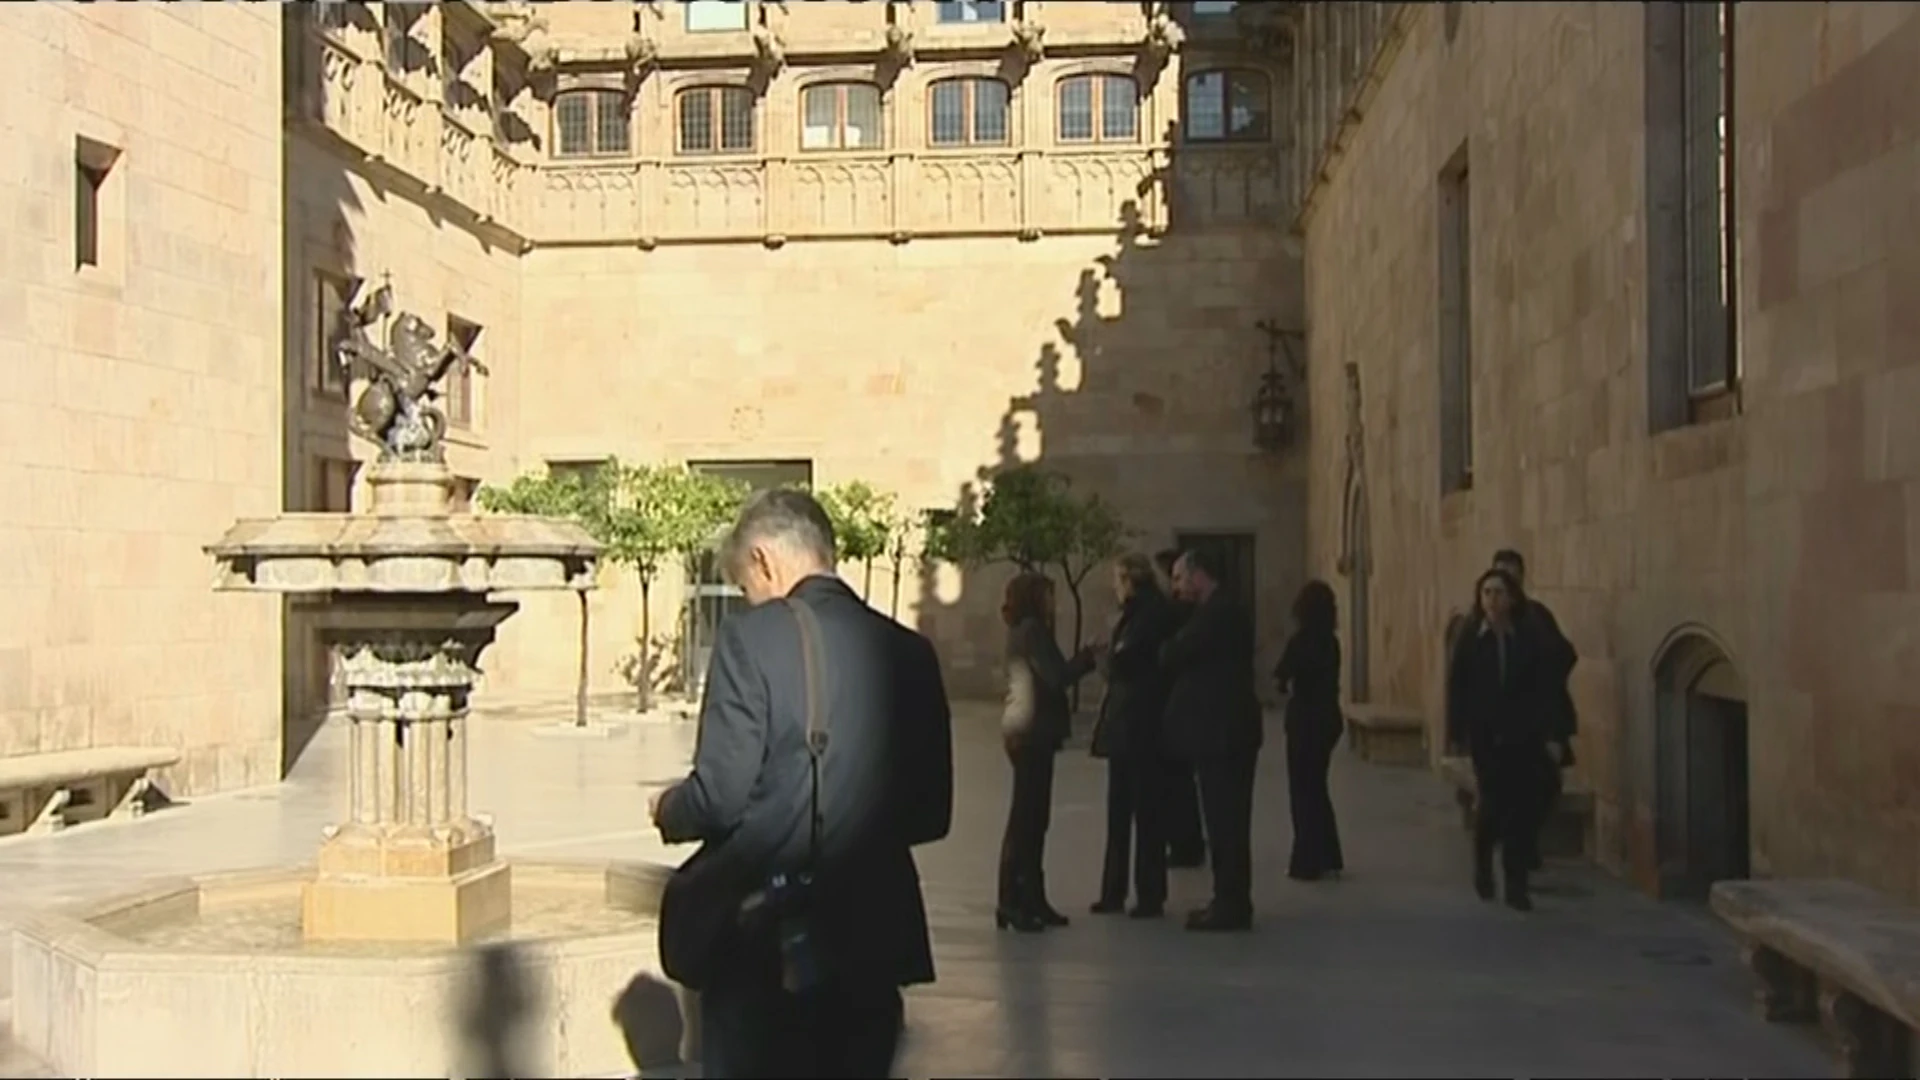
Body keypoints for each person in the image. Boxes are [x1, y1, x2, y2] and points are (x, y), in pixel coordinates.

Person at [651, 488, 954, 1078]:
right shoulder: (911, 652)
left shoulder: (750, 641)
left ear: (764, 560)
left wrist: (669, 808)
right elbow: (931, 813)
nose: (749, 599)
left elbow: (721, 795)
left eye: (745, 585)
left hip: (769, 945)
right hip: (874, 937)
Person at [1444, 567, 1571, 912]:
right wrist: (1457, 734)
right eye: (1486, 592)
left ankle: (1516, 885)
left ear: (1512, 597)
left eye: (1499, 592)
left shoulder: (1528, 638)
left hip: (1523, 736)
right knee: (1492, 806)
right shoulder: (1471, 637)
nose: (1492, 599)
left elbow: (1544, 689)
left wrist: (1551, 734)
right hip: (1487, 738)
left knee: (1519, 810)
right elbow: (1458, 688)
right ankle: (1483, 862)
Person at [1161, 548, 1263, 932]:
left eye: (1179, 579)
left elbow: (1173, 653)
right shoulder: (1222, 611)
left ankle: (1231, 903)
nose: (1177, 588)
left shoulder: (1218, 614)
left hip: (1224, 734)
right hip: (1224, 732)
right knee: (1225, 822)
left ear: (1198, 575)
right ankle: (1228, 898)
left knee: (1227, 823)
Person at [998, 571, 1097, 932]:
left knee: (1031, 818)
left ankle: (1028, 898)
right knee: (1028, 819)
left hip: (1026, 731)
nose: (1054, 604)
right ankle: (1015, 900)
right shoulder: (1033, 632)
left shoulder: (1025, 630)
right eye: (1048, 596)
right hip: (1031, 731)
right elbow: (1056, 676)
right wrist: (1088, 658)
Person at [1089, 553, 1177, 918]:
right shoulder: (1144, 613)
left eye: (1117, 579)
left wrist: (1103, 658)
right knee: (1128, 812)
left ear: (1129, 580)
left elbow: (1125, 664)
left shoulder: (1147, 615)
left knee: (1140, 812)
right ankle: (1119, 891)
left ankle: (1142, 893)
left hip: (1138, 724)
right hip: (1133, 723)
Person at [1490, 548, 1577, 871]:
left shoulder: (1537, 617)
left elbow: (1565, 656)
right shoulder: (1484, 622)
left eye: (1513, 576)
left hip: (1540, 722)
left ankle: (1522, 845)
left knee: (1544, 785)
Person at [1275, 580, 1344, 882]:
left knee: (1302, 791)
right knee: (1317, 787)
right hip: (1328, 718)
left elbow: (1281, 674)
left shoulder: (1300, 641)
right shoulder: (1331, 642)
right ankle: (1329, 853)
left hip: (1305, 721)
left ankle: (1307, 860)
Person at [1153, 548, 1207, 869]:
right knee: (1182, 781)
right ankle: (1188, 841)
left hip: (1178, 706)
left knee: (1178, 781)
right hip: (1181, 706)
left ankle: (1186, 843)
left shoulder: (1179, 612)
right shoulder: (1188, 611)